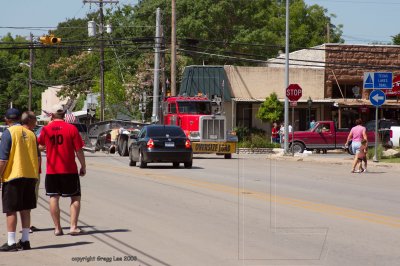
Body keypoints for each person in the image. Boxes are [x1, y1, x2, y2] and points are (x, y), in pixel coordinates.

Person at [37, 107, 86, 236]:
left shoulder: (46, 129)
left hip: (52, 170)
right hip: (69, 169)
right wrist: (83, 166)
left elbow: (39, 146)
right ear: (64, 115)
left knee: (54, 197)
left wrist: (47, 147)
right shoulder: (71, 129)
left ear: (52, 115)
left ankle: (57, 228)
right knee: (75, 197)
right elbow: (79, 150)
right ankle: (73, 227)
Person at [0, 108, 39, 251]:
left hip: (13, 175)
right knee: (25, 209)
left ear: (7, 120)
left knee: (11, 210)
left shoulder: (8, 133)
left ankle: (11, 242)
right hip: (30, 176)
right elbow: (38, 157)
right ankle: (25, 240)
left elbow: (3, 160)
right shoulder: (32, 134)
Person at [21, 111, 41, 233]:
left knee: (24, 200)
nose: (36, 122)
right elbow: (37, 156)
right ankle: (25, 227)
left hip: (20, 172)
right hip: (30, 173)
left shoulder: (15, 133)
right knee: (28, 199)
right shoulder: (31, 135)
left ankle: (27, 225)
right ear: (29, 120)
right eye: (35, 120)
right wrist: (36, 173)